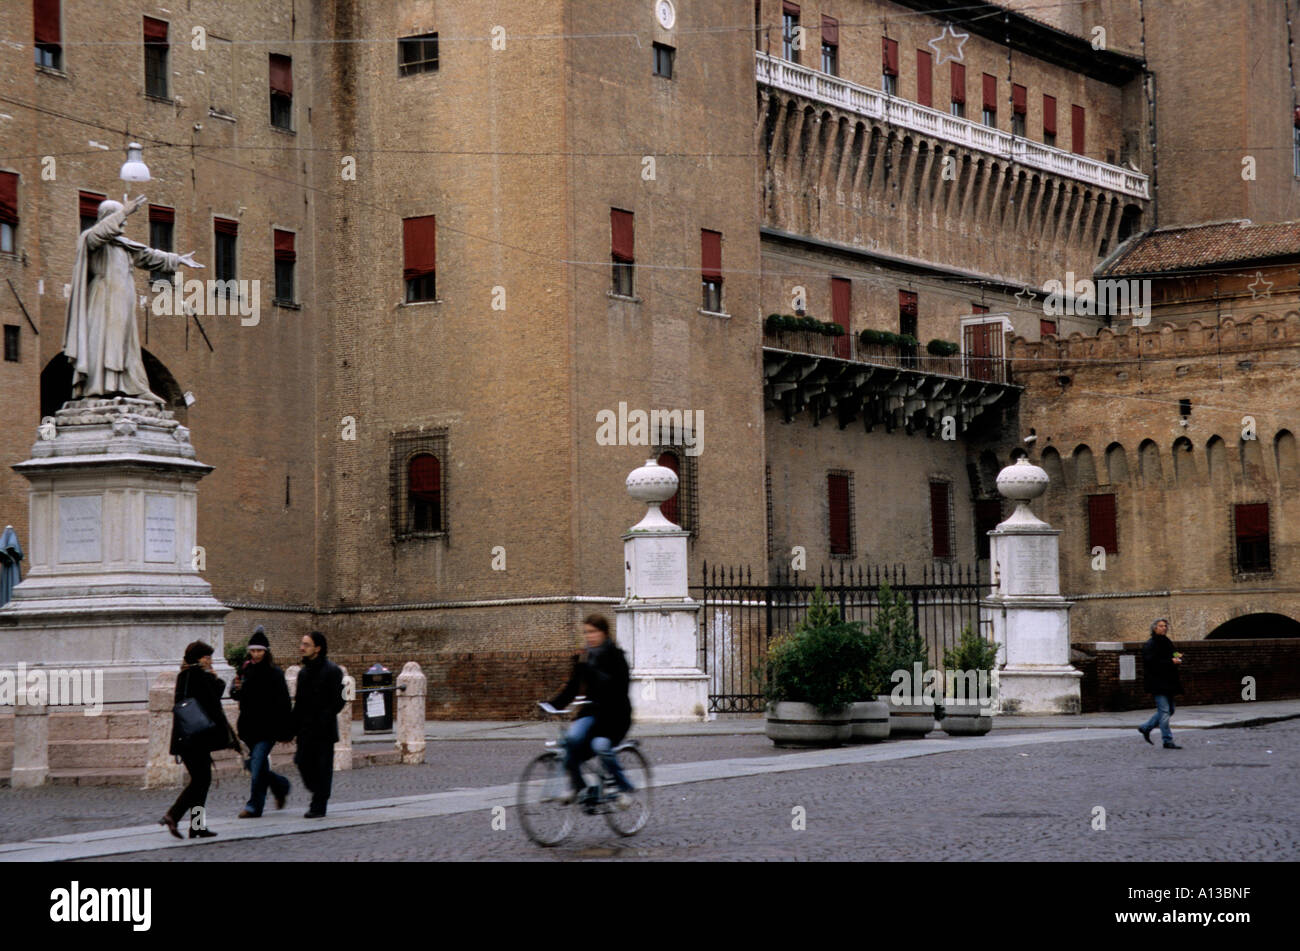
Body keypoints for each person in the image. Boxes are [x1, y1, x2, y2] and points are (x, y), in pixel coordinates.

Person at [63, 196, 202, 401]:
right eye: (121, 218)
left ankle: (133, 386)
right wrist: (125, 211)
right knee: (104, 341)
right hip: (103, 299)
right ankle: (99, 386)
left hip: (123, 302)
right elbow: (100, 234)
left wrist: (177, 259)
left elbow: (148, 256)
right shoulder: (90, 239)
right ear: (109, 218)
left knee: (126, 345)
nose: (125, 222)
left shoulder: (123, 245)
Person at [548, 614, 634, 807]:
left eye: (593, 631)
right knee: (571, 741)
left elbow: (621, 689)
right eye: (586, 632)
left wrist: (596, 675)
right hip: (591, 713)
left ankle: (621, 786)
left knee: (600, 746)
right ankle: (579, 787)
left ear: (604, 633)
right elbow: (573, 687)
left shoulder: (616, 656)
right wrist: (553, 705)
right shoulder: (585, 658)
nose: (590, 636)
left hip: (614, 717)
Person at [160, 640, 238, 839]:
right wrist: (216, 679)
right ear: (200, 659)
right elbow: (213, 702)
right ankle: (174, 815)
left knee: (201, 780)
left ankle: (197, 826)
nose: (210, 661)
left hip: (185, 738)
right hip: (197, 739)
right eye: (207, 657)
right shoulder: (200, 677)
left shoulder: (183, 676)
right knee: (201, 781)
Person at [231, 627, 292, 818]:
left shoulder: (275, 673)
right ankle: (280, 785)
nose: (255, 654)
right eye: (253, 650)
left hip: (268, 728)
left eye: (259, 650)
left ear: (266, 652)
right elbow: (236, 695)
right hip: (249, 727)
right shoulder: (245, 669)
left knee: (257, 763)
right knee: (255, 766)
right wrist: (235, 688)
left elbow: (284, 703)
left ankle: (254, 806)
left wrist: (286, 731)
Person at [293, 631, 346, 818]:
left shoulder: (333, 670)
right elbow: (299, 703)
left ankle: (319, 803)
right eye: (302, 643)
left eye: (306, 644)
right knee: (301, 762)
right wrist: (291, 727)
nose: (302, 647)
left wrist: (326, 715)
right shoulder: (303, 672)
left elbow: (341, 698)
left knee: (323, 767)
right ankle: (318, 791)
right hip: (305, 728)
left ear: (318, 648)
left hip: (324, 729)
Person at [1138, 618, 1183, 749]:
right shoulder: (1150, 644)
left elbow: (1172, 653)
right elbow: (1151, 663)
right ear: (1154, 628)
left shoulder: (1167, 641)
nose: (1164, 628)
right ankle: (1167, 740)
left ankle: (1146, 727)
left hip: (1169, 682)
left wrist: (1177, 656)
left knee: (1170, 710)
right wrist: (1171, 661)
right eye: (1161, 626)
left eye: (1165, 626)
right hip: (1157, 682)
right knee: (1164, 712)